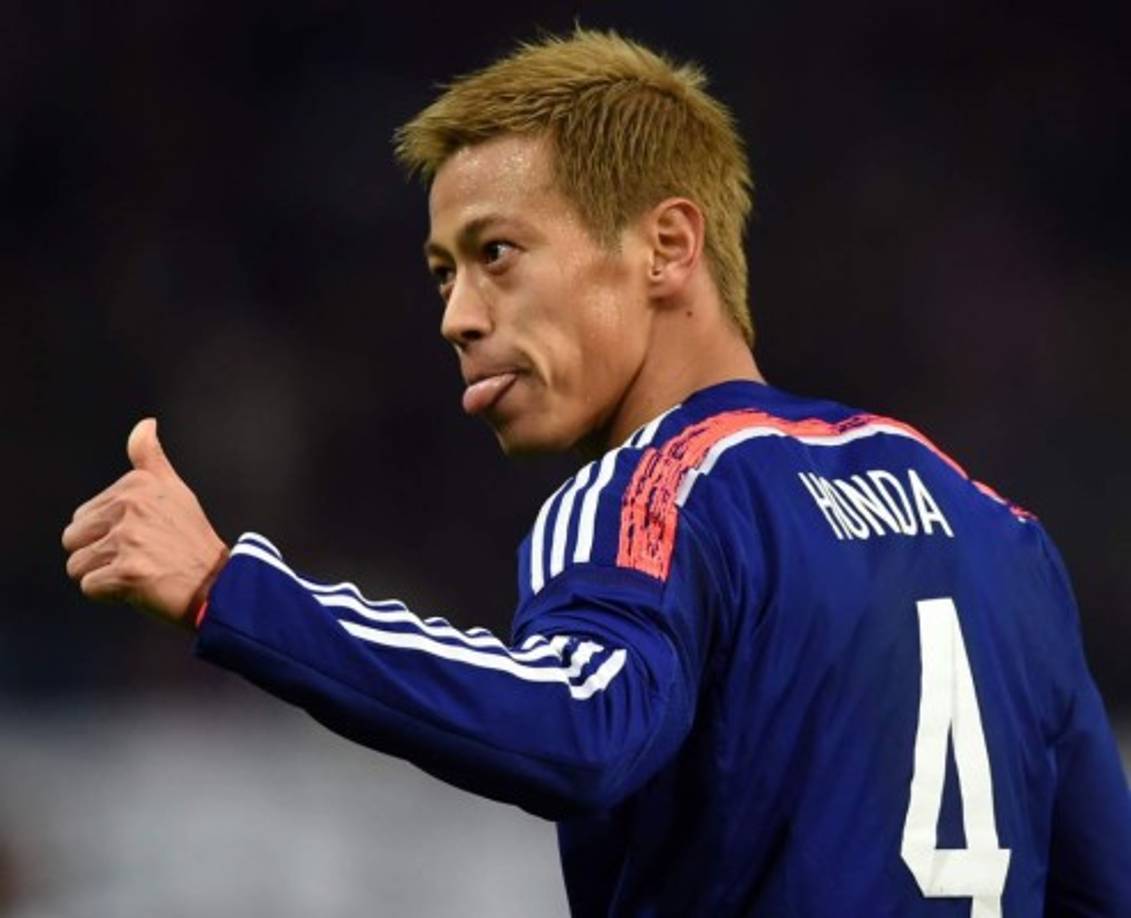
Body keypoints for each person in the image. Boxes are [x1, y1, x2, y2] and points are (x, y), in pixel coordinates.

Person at [61, 28, 1131, 917]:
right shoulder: (991, 525)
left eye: (496, 253)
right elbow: (1100, 883)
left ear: (667, 246)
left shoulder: (659, 491)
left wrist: (227, 587)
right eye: (443, 273)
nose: (456, 316)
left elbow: (580, 727)